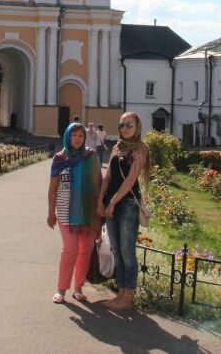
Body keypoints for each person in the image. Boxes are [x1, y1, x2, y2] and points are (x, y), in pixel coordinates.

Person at [95, 112, 150, 310]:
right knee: (116, 249)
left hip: (127, 204)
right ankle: (120, 294)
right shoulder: (118, 147)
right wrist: (101, 200)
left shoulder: (140, 149)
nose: (125, 128)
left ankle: (128, 296)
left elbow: (130, 181)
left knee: (127, 251)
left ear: (137, 127)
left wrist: (112, 203)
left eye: (129, 124)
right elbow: (108, 176)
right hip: (111, 202)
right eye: (122, 124)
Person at [47, 122, 102, 304]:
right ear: (68, 136)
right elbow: (53, 188)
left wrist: (99, 212)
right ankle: (61, 289)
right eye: (74, 135)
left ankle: (78, 288)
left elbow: (98, 185)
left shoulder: (91, 156)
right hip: (65, 212)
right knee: (71, 250)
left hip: (88, 212)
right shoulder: (60, 158)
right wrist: (50, 213)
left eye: (81, 136)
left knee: (85, 250)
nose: (78, 139)